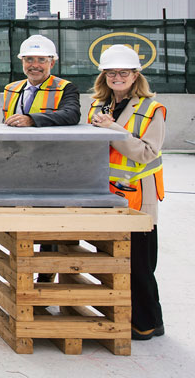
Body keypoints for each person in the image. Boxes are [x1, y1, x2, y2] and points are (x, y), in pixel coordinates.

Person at [88, 44, 166, 341]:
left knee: (139, 263)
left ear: (136, 76)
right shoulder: (98, 106)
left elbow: (147, 152)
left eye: (123, 72)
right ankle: (124, 316)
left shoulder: (151, 109)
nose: (117, 77)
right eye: (111, 72)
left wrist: (112, 130)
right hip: (106, 196)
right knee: (113, 260)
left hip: (137, 198)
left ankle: (148, 322)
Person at [2, 35, 82, 281]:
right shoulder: (11, 88)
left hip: (51, 168)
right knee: (19, 223)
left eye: (40, 59)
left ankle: (46, 277)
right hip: (18, 165)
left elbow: (71, 114)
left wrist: (33, 119)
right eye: (29, 59)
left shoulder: (65, 87)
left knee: (49, 225)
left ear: (52, 63)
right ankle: (20, 273)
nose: (34, 65)